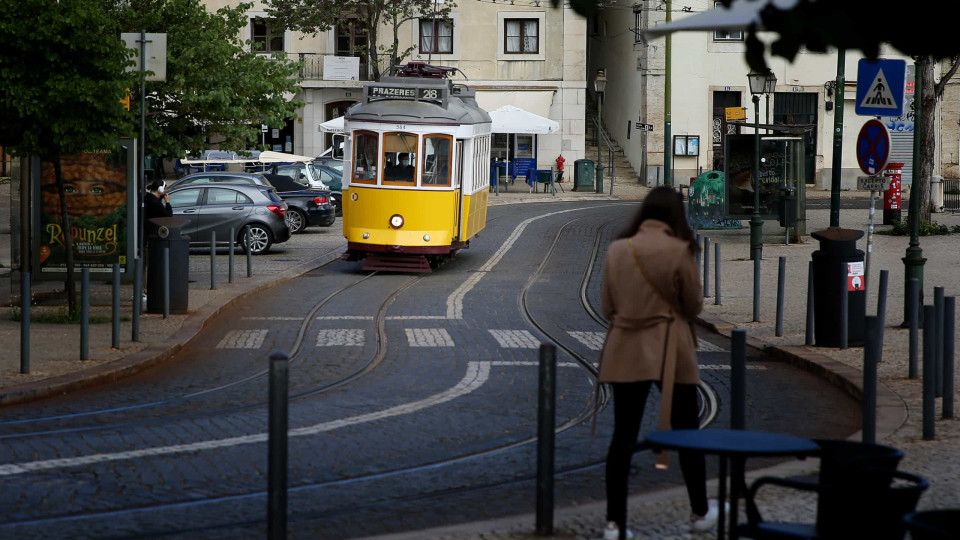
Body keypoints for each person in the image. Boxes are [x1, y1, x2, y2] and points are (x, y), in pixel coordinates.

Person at [597, 186, 723, 540]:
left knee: (623, 436)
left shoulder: (618, 249)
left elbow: (607, 306)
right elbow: (694, 305)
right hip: (672, 349)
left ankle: (614, 524)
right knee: (686, 433)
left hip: (626, 348)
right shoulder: (680, 249)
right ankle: (699, 511)